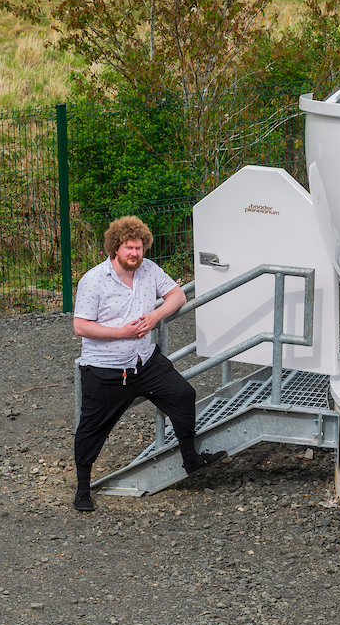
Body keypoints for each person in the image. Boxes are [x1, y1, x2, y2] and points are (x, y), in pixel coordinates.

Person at [72, 216, 225, 511]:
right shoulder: (93, 280)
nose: (135, 253)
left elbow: (177, 295)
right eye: (129, 248)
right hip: (105, 369)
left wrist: (155, 316)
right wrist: (122, 332)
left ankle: (191, 460)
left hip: (145, 362)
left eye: (139, 248)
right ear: (115, 248)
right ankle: (82, 489)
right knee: (91, 429)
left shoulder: (149, 269)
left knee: (183, 395)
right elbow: (80, 326)